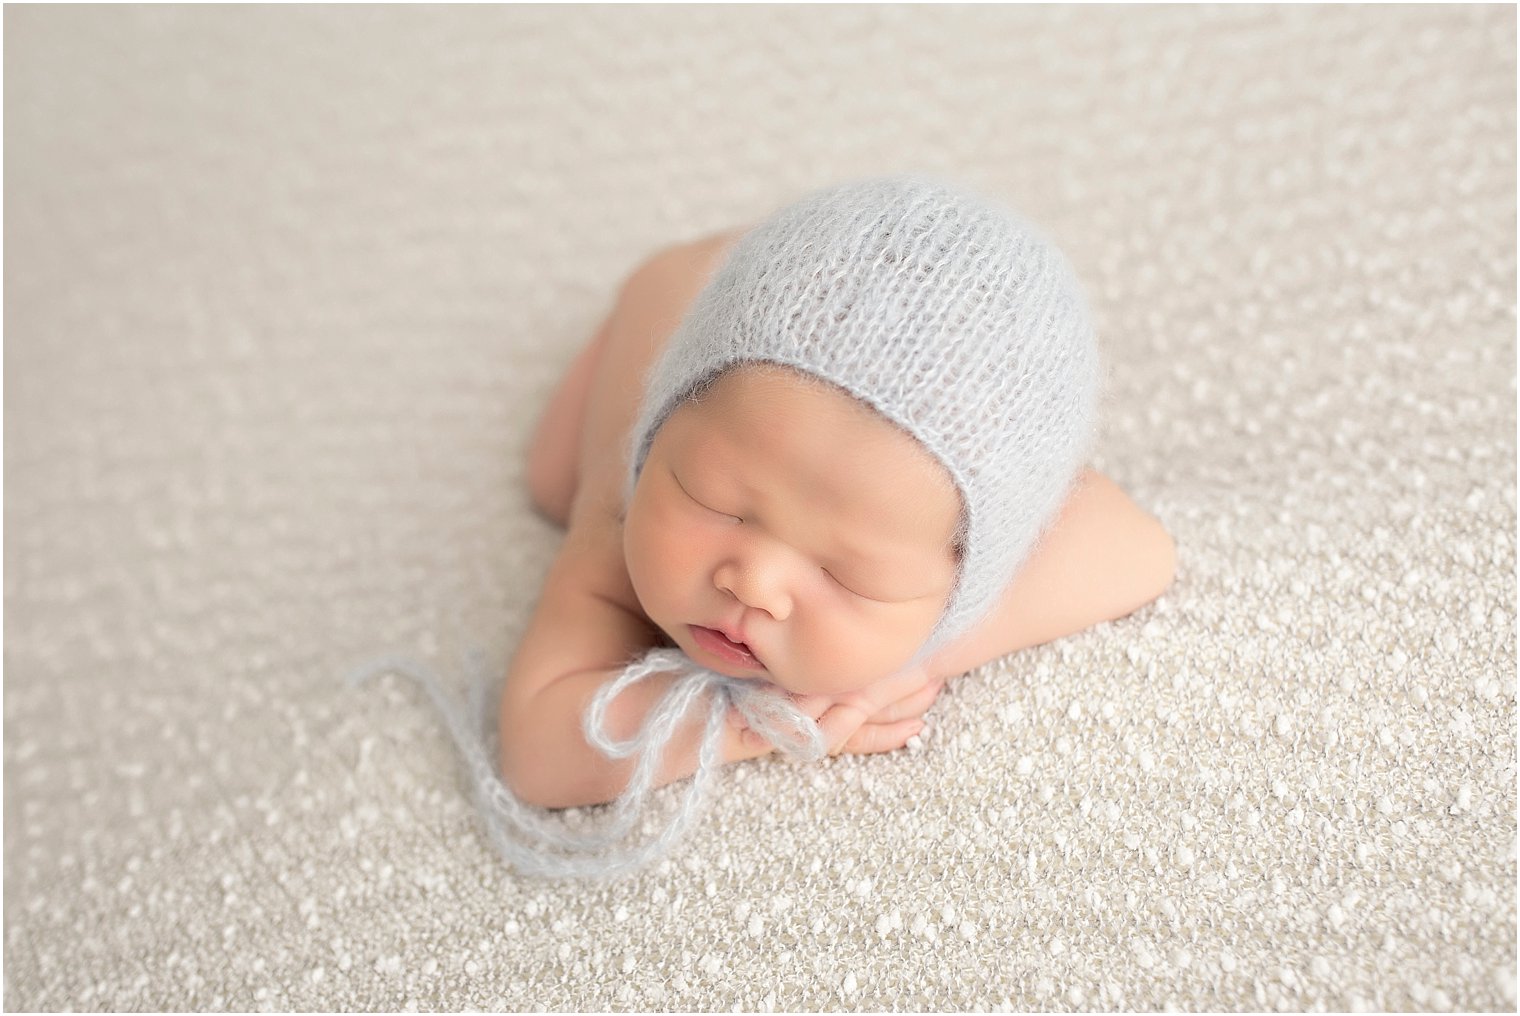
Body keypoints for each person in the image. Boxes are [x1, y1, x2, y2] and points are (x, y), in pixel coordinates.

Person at [501, 176, 1176, 811]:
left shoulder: (961, 499)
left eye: (847, 575)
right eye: (714, 501)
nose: (754, 584)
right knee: (553, 481)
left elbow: (1144, 549)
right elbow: (537, 752)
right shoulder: (623, 520)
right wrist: (761, 720)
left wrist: (917, 654)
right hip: (674, 285)